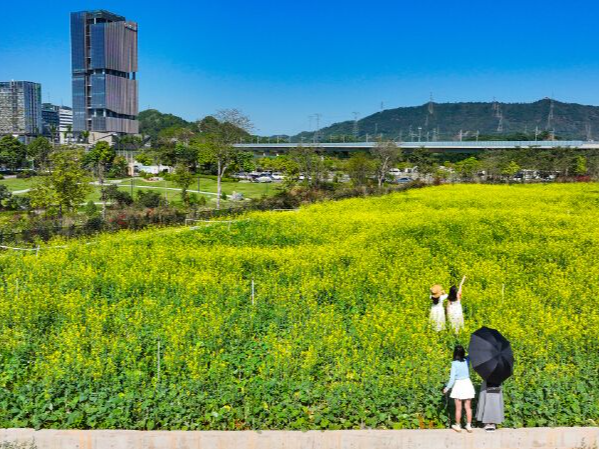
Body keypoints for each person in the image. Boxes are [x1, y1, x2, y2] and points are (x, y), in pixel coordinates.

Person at [443, 345, 475, 433]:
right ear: (463, 353)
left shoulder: (454, 363)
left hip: (459, 385)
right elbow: (471, 355)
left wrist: (447, 388)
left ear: (454, 353)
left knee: (458, 408)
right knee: (468, 407)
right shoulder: (466, 360)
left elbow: (452, 378)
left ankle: (458, 426)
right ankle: (469, 426)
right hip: (467, 383)